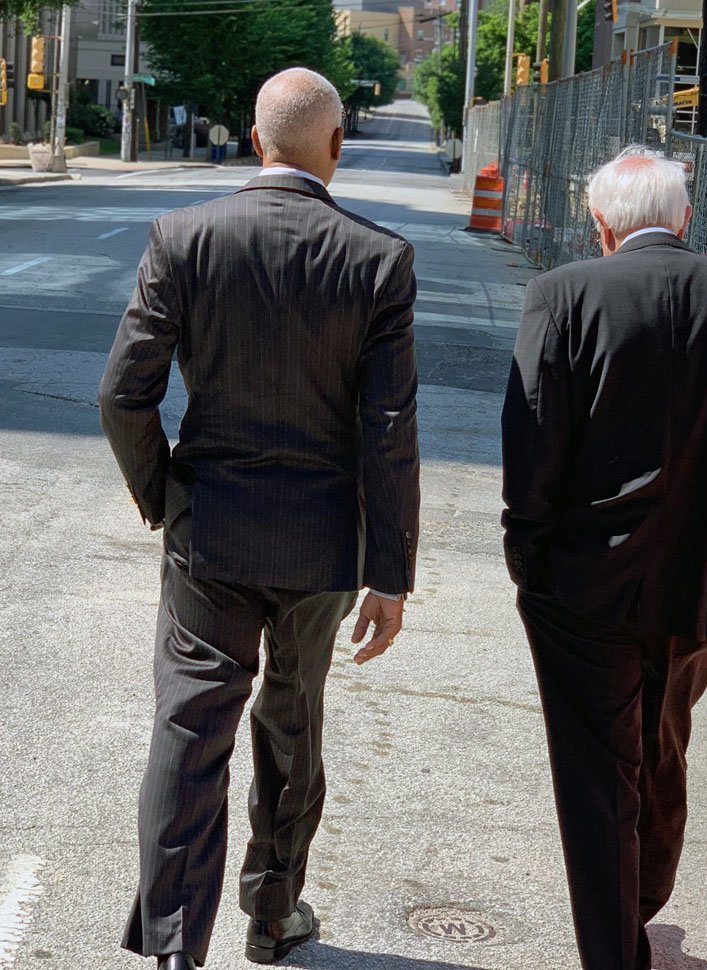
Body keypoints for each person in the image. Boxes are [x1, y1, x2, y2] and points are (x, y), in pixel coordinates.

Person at [99, 67, 420, 970]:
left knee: (189, 728)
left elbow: (123, 394)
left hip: (211, 532)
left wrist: (166, 498)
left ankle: (174, 944)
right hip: (323, 542)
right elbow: (389, 427)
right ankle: (272, 915)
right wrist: (391, 572)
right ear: (337, 147)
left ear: (254, 140)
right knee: (293, 719)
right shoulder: (378, 259)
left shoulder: (184, 237)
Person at [501, 147, 707, 970]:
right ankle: (641, 900)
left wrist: (528, 560)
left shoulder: (562, 294)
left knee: (598, 776)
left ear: (601, 226)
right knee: (664, 745)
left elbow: (532, 440)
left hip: (584, 588)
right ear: (684, 218)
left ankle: (617, 942)